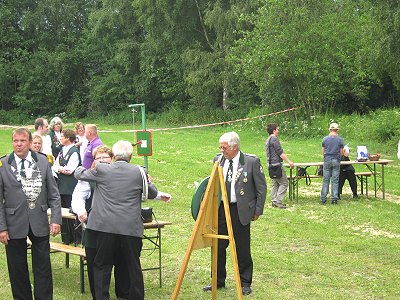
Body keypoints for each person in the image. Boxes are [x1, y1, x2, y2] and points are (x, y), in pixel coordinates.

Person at [74, 140, 171, 300]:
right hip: (130, 228)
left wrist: (84, 164)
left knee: (102, 266)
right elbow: (152, 193)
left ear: (114, 155)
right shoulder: (139, 171)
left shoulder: (102, 169)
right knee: (132, 266)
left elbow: (79, 174)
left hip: (104, 227)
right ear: (131, 156)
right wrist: (147, 179)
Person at [0, 127, 62, 299]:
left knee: (43, 266)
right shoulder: (3, 164)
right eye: (15, 141)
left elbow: (54, 194)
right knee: (17, 268)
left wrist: (56, 219)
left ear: (29, 142)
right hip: (13, 223)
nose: (18, 144)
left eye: (22, 141)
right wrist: (2, 228)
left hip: (39, 221)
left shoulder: (43, 161)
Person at [203, 132, 266, 296]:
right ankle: (217, 280)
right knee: (218, 245)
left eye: (224, 147)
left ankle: (245, 282)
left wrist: (258, 210)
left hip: (241, 209)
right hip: (221, 209)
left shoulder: (251, 161)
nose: (221, 150)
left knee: (242, 247)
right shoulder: (218, 160)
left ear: (235, 146)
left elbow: (261, 188)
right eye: (221, 147)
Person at [53, 129, 81, 244]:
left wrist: (58, 168)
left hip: (70, 187)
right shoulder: (62, 150)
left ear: (68, 138)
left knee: (72, 212)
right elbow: (54, 165)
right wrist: (59, 168)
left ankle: (76, 237)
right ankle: (66, 237)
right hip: (61, 186)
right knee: (62, 212)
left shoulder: (74, 151)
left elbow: (69, 170)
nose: (60, 138)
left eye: (62, 136)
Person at [265, 123, 294, 209]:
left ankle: (274, 200)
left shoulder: (268, 140)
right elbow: (280, 153)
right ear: (274, 131)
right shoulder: (274, 139)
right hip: (276, 165)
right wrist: (289, 162)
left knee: (275, 183)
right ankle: (278, 201)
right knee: (284, 183)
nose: (278, 131)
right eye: (277, 129)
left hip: (270, 164)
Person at [321, 123, 344, 204]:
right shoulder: (340, 139)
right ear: (337, 130)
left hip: (327, 160)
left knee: (326, 180)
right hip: (336, 160)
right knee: (335, 180)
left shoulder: (325, 139)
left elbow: (323, 152)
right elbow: (341, 153)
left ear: (329, 129)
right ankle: (334, 198)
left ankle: (323, 198)